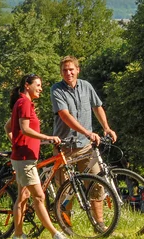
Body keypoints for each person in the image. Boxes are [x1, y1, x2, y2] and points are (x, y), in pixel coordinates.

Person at [50, 55, 117, 229]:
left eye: (71, 69)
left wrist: (106, 128)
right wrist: (87, 132)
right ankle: (66, 226)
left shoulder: (86, 86)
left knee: (96, 183)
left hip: (86, 147)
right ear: (61, 72)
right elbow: (65, 116)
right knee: (65, 190)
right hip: (65, 147)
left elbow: (97, 106)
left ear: (77, 70)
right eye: (64, 70)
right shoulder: (56, 90)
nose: (68, 73)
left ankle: (99, 224)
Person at [4, 74, 67, 239]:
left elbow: (8, 127)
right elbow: (24, 129)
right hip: (24, 159)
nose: (40, 88)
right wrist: (48, 137)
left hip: (24, 156)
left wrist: (16, 144)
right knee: (39, 196)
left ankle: (18, 235)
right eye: (38, 85)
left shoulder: (22, 103)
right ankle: (55, 234)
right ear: (27, 85)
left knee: (23, 197)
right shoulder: (24, 102)